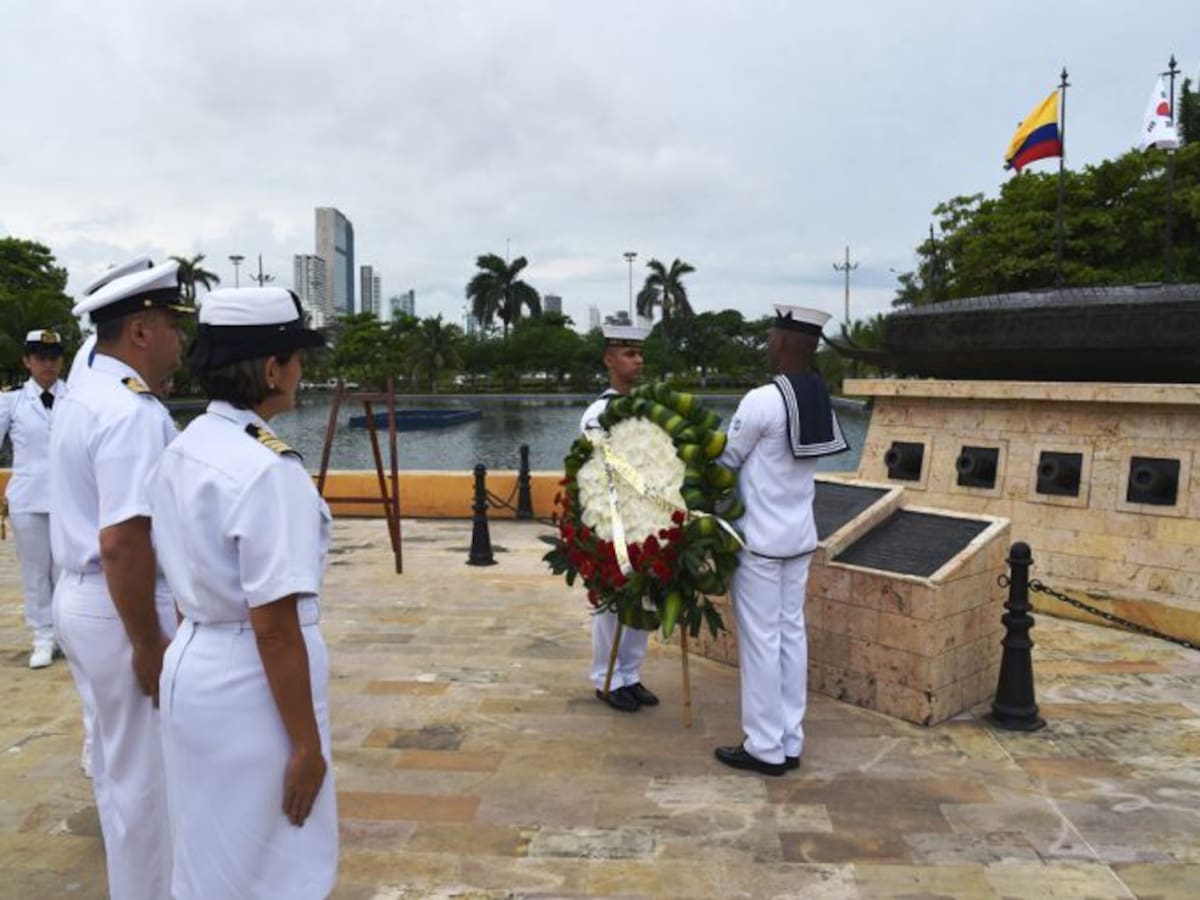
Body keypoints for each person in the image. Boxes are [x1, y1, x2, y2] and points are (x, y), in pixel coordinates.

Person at [148, 287, 337, 899]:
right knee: (277, 868)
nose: (300, 372)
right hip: (252, 687)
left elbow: (184, 582)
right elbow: (274, 627)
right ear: (272, 369)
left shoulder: (187, 445)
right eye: (296, 359)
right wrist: (305, 745)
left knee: (209, 859)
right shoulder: (267, 470)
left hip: (196, 659)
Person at [49, 258, 192, 899]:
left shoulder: (85, 393)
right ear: (140, 331)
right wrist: (148, 642)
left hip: (85, 600)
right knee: (148, 787)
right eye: (172, 326)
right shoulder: (131, 412)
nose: (179, 341)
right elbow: (124, 542)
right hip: (121, 607)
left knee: (118, 771)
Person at [713, 305, 848, 776]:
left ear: (787, 344)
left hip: (760, 544)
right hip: (798, 539)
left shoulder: (763, 400)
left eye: (773, 336)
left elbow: (726, 460)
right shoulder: (817, 395)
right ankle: (789, 740)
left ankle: (764, 747)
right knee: (792, 637)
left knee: (761, 643)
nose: (768, 343)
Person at [579, 324, 660, 713]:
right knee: (612, 603)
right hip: (614, 518)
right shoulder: (599, 413)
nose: (638, 361)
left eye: (640, 354)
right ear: (609, 360)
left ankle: (629, 673)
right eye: (629, 354)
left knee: (643, 598)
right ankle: (606, 679)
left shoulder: (647, 406)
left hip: (646, 520)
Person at [0, 329, 67, 668]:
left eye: (54, 357)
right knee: (36, 571)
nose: (48, 364)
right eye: (41, 357)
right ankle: (43, 636)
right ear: (27, 361)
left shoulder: (76, 398)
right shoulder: (10, 401)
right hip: (28, 498)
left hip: (69, 498)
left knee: (67, 570)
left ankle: (66, 635)